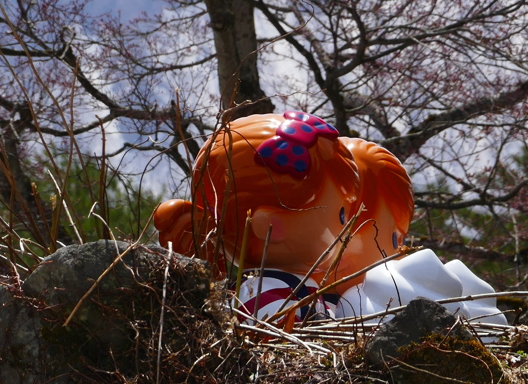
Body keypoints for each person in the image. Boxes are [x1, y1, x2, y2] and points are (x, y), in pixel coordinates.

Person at [152, 111, 506, 330]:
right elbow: (287, 356)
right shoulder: (267, 295)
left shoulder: (306, 294)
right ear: (269, 227)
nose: (349, 227)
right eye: (342, 215)